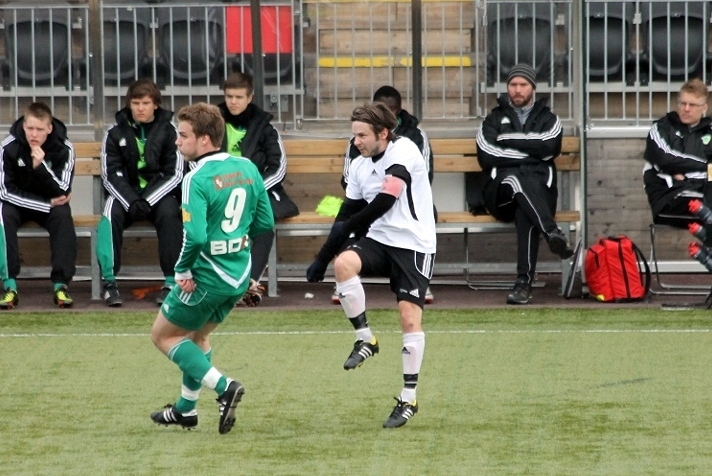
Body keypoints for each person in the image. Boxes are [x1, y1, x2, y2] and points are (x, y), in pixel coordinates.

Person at [307, 102, 436, 429]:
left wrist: (353, 225)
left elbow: (386, 200)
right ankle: (365, 339)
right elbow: (345, 215)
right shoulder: (359, 165)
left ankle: (408, 399)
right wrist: (322, 258)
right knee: (343, 264)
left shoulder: (404, 150)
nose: (356, 142)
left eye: (362, 135)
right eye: (354, 135)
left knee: (409, 319)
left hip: (414, 244)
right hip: (379, 238)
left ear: (383, 133)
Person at [149, 102, 274, 434]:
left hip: (207, 276)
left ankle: (224, 387)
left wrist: (183, 270)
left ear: (204, 139)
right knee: (197, 337)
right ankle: (186, 410)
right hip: (237, 276)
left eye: (183, 135)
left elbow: (197, 235)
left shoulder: (196, 178)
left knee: (163, 336)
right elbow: (265, 224)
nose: (177, 141)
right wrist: (247, 267)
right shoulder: (247, 167)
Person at [476, 63, 572, 305]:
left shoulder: (549, 119)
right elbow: (487, 154)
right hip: (500, 195)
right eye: (513, 84)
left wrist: (507, 140)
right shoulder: (493, 119)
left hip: (540, 195)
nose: (517, 90)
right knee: (515, 179)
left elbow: (550, 147)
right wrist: (532, 154)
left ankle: (523, 284)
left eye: (523, 85)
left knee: (525, 211)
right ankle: (550, 231)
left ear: (533, 88)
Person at [340, 85, 436, 305]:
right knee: (349, 218)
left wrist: (389, 188)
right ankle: (347, 278)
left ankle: (418, 275)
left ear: (399, 110)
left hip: (407, 199)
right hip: (369, 202)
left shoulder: (414, 136)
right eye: (381, 108)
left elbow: (424, 174)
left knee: (427, 212)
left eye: (391, 109)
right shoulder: (359, 139)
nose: (386, 113)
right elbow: (348, 177)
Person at [97, 79, 183, 307]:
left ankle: (171, 282)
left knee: (171, 213)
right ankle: (109, 283)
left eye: (145, 103)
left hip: (157, 196)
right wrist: (132, 201)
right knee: (109, 212)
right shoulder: (114, 133)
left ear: (155, 104)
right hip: (127, 197)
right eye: (135, 103)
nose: (140, 108)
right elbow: (110, 174)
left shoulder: (170, 132)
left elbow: (174, 174)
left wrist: (147, 200)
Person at [217, 72, 297, 306]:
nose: (233, 102)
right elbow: (198, 159)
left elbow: (278, 168)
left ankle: (249, 284)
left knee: (263, 224)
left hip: (257, 192)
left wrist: (253, 189)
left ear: (250, 97)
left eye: (239, 97)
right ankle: (220, 283)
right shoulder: (212, 123)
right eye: (229, 96)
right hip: (218, 191)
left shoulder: (265, 127)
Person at [0, 102, 77, 309]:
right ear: (23, 126)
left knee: (62, 215)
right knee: (3, 214)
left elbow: (63, 190)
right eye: (30, 128)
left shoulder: (64, 148)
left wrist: (41, 168)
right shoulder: (9, 147)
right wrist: (44, 203)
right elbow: (5, 192)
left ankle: (61, 285)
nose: (34, 134)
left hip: (51, 203)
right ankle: (9, 285)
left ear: (49, 128)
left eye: (40, 129)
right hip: (19, 203)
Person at [644, 78, 710, 229]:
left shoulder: (709, 131)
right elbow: (665, 160)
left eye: (692, 105)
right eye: (682, 103)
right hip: (669, 199)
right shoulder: (661, 128)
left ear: (704, 108)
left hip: (704, 195)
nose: (686, 109)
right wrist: (704, 166)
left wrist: (685, 175)